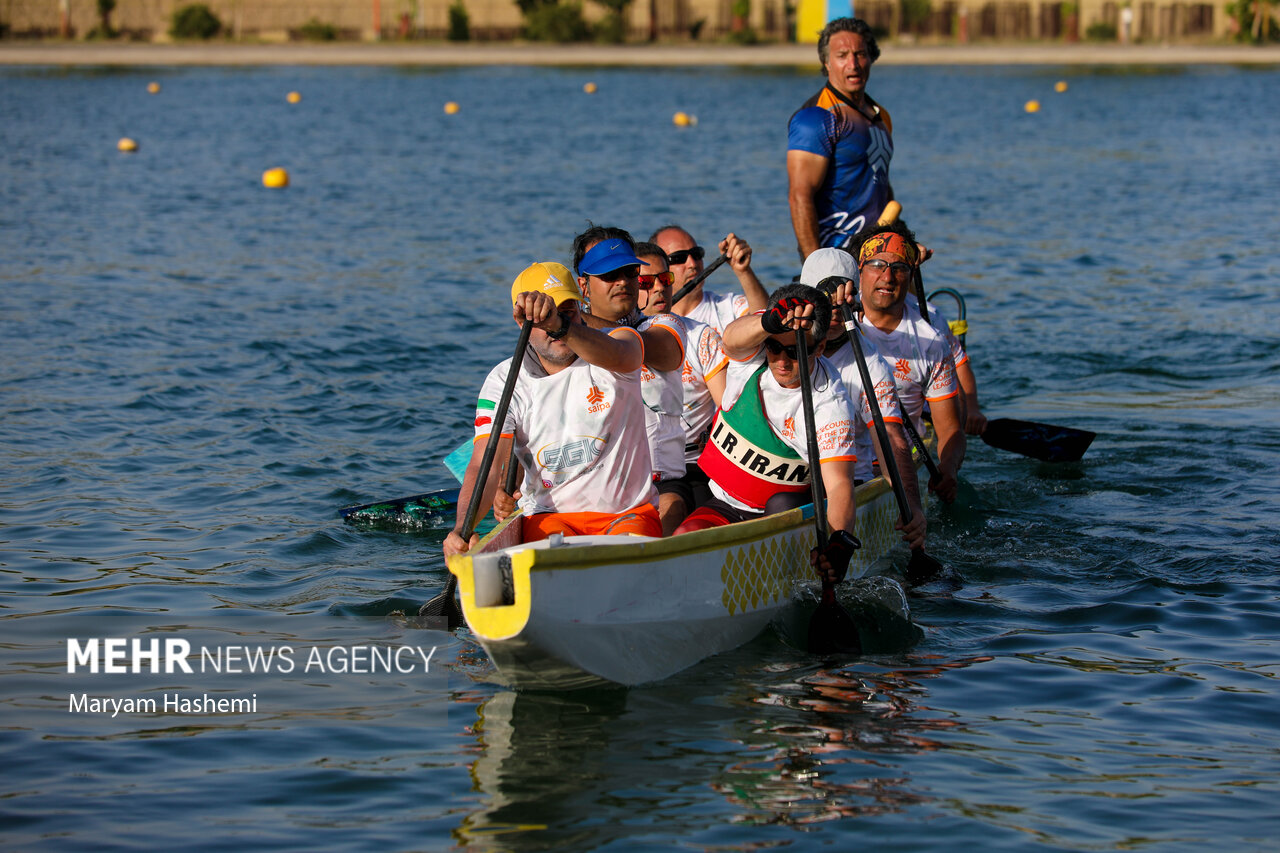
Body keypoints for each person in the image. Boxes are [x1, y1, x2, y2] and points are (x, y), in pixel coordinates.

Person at [442, 262, 661, 558]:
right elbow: (486, 465)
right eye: (543, 318)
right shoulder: (503, 381)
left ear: (579, 311)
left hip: (628, 514)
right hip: (549, 517)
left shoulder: (619, 342)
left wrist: (559, 324)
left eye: (566, 312)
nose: (552, 326)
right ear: (522, 323)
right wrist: (459, 530)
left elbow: (624, 356)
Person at [673, 284, 862, 585]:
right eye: (775, 348)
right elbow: (731, 340)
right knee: (682, 539)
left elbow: (840, 485)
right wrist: (767, 323)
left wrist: (839, 540)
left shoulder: (829, 403)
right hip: (725, 503)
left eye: (795, 351)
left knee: (780, 505)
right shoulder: (752, 356)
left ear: (821, 347)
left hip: (782, 514)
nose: (782, 362)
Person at [800, 248, 925, 549]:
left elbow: (890, 436)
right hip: (791, 476)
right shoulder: (779, 340)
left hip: (847, 480)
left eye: (844, 300)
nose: (834, 312)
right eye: (825, 300)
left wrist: (913, 505)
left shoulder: (869, 363)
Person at [848, 223, 965, 503]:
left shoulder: (931, 343)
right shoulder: (836, 322)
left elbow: (950, 430)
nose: (887, 277)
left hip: (892, 464)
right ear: (859, 271)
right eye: (877, 265)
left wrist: (948, 469)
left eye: (899, 268)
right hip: (836, 459)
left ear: (911, 275)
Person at [634, 241, 729, 533]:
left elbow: (728, 410)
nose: (660, 288)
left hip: (695, 465)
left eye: (665, 279)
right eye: (647, 283)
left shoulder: (701, 336)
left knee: (680, 518)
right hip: (633, 468)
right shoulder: (608, 339)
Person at [787, 17, 894, 260]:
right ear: (826, 62)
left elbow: (880, 183)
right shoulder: (816, 117)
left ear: (871, 57)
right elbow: (799, 196)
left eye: (860, 54)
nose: (853, 64)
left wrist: (900, 241)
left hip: (876, 256)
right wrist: (817, 266)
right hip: (834, 256)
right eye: (842, 55)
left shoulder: (881, 116)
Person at [650, 224, 769, 335]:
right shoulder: (646, 321)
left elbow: (764, 318)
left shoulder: (729, 307)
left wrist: (743, 271)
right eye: (679, 258)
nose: (692, 264)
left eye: (697, 254)